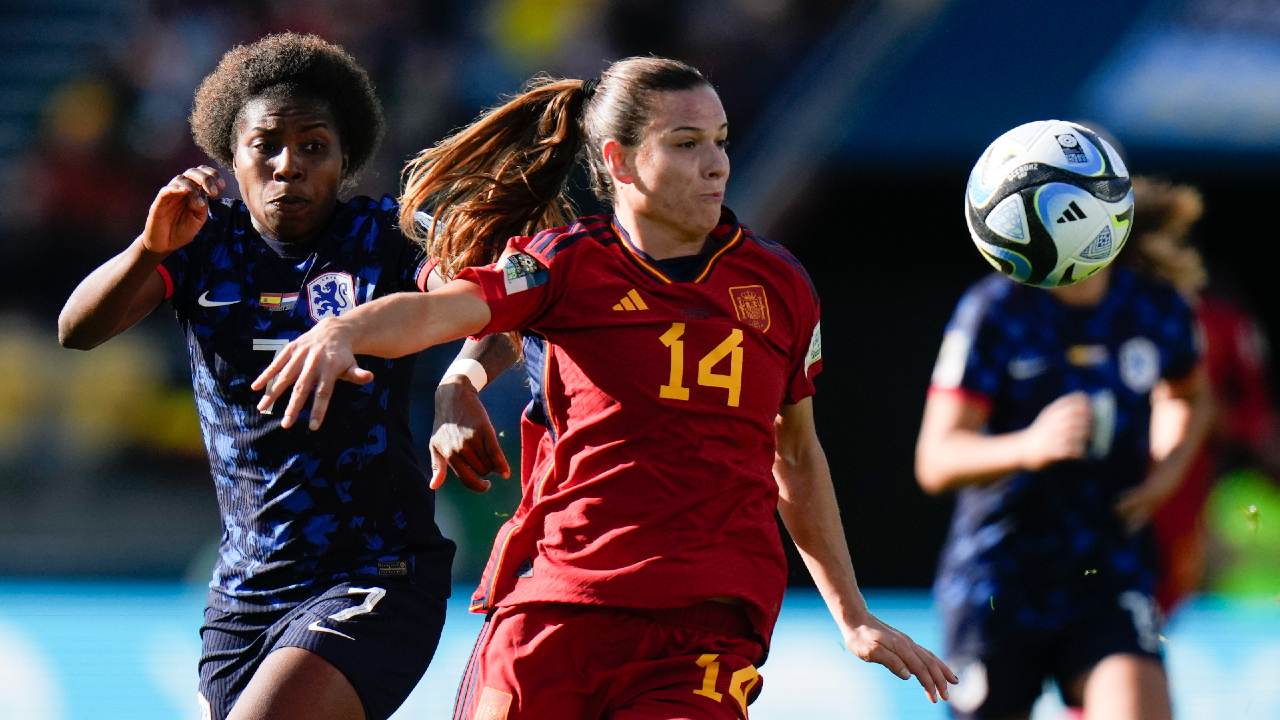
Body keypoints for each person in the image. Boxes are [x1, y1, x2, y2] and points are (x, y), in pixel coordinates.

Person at [252, 57, 957, 719]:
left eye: (720, 139)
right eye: (685, 143)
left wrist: (851, 612)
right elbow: (446, 310)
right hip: (560, 609)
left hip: (704, 631)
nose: (715, 164)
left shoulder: (780, 287)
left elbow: (796, 456)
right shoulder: (564, 266)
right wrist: (348, 332)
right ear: (618, 161)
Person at [58, 34, 457, 720]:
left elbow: (481, 302)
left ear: (345, 156)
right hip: (246, 591)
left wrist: (461, 387)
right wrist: (147, 247)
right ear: (230, 154)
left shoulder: (384, 238)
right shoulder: (201, 244)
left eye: (313, 146)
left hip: (376, 570)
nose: (288, 166)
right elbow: (78, 329)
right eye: (266, 145)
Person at [915, 202, 1215, 718]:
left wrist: (1167, 469)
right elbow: (936, 460)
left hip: (1108, 566)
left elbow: (1189, 393)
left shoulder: (1154, 306)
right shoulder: (996, 309)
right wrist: (1030, 445)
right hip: (998, 577)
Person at [1128, 177, 1280, 613]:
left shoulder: (1212, 317)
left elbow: (1251, 413)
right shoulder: (1060, 315)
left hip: (1180, 501)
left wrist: (1203, 420)